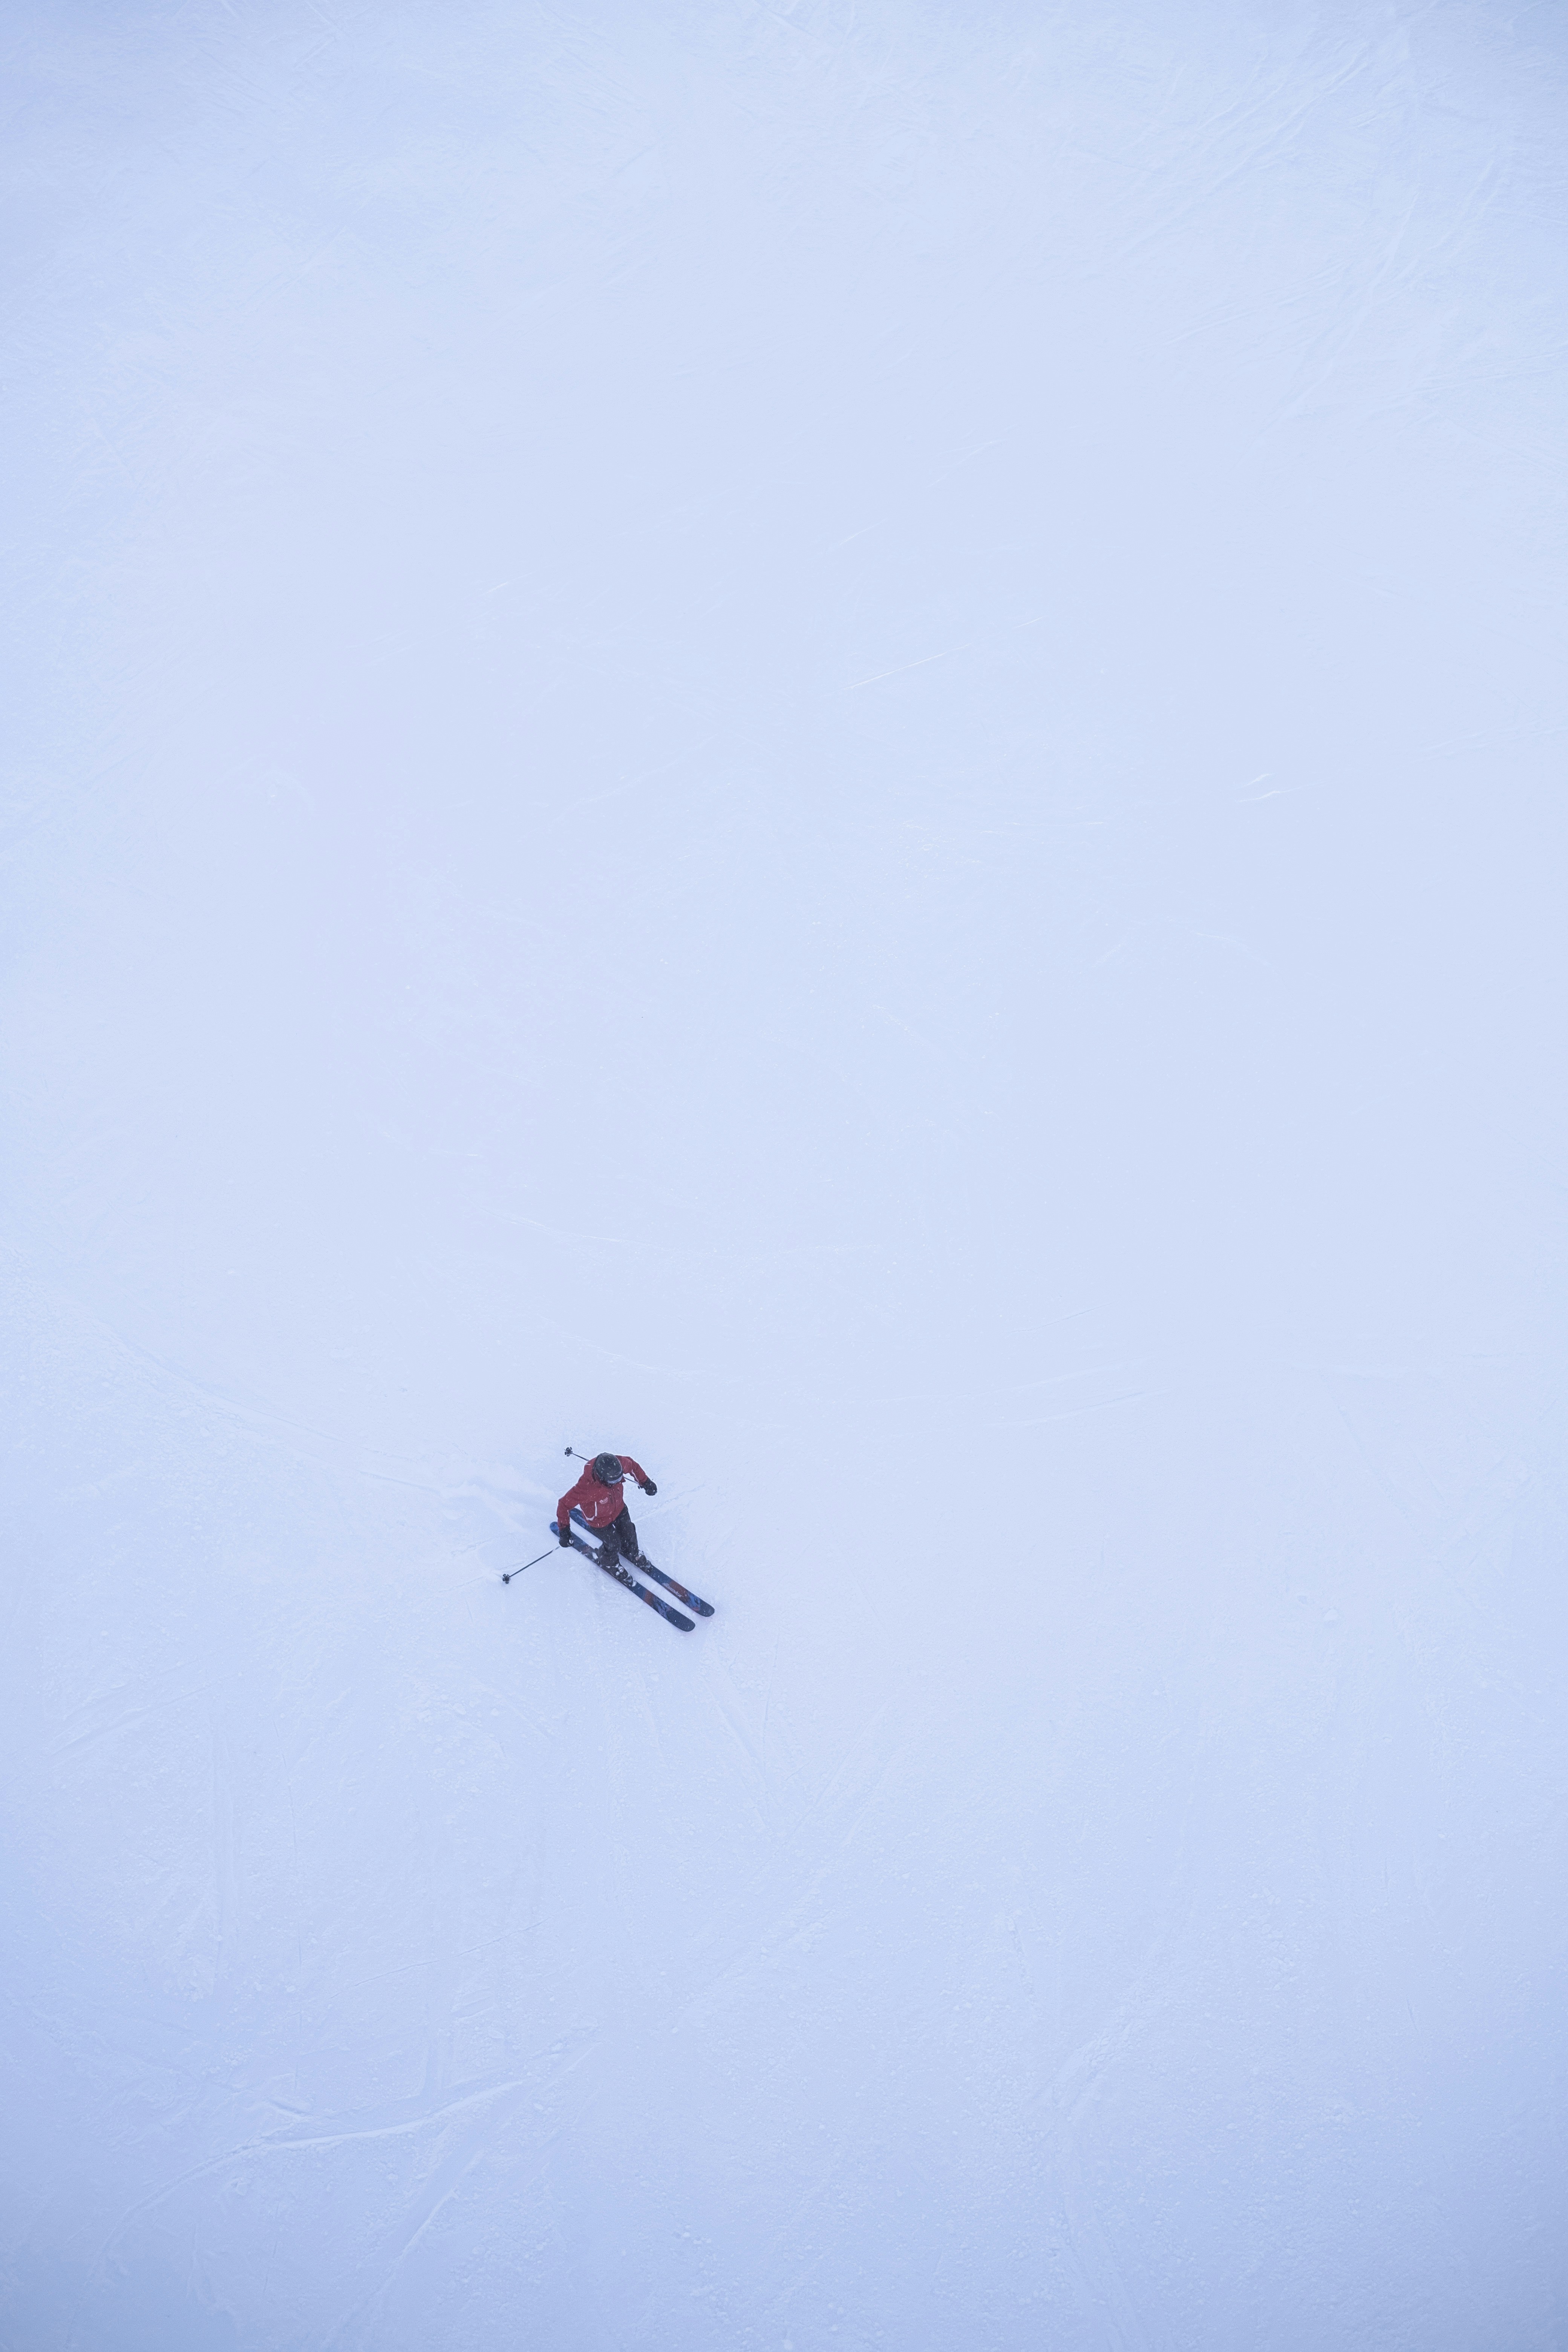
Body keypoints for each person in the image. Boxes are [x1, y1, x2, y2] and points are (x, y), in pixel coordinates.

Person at [557, 1451, 657, 1577]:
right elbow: (564, 1505)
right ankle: (609, 1562)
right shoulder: (586, 1487)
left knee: (629, 1532)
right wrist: (564, 1530)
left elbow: (632, 1465)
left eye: (619, 1478)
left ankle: (632, 1552)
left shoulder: (618, 1464)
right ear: (602, 1477)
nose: (617, 1482)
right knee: (613, 1544)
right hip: (599, 1520)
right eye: (613, 1481)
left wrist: (646, 1482)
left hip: (619, 1507)